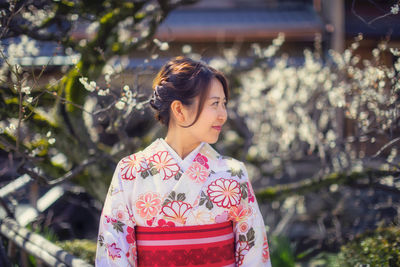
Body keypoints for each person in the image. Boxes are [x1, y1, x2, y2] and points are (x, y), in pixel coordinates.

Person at [95, 56, 272, 266]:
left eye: (224, 104)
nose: (223, 115)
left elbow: (253, 255)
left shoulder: (233, 174)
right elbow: (113, 254)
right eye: (215, 104)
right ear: (179, 110)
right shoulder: (131, 171)